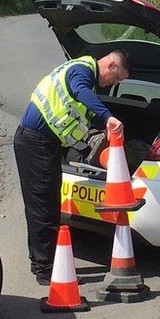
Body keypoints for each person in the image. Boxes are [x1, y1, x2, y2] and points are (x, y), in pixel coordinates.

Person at [14, 49, 130, 284]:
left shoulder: (82, 73)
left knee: (44, 204)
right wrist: (108, 117)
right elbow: (80, 91)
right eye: (116, 79)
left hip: (43, 144)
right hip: (35, 143)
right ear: (111, 66)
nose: (112, 84)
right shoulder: (81, 71)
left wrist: (101, 124)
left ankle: (41, 263)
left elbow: (81, 109)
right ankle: (47, 271)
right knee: (43, 207)